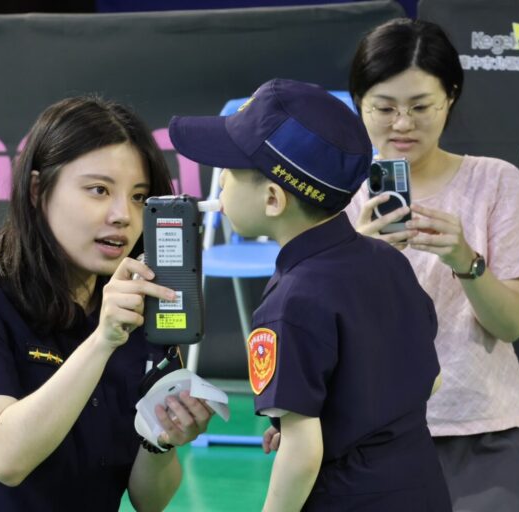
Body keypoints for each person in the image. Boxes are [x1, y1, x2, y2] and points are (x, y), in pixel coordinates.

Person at [0, 96, 215, 511]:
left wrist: (160, 440)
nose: (123, 215)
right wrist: (103, 341)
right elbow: (6, 458)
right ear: (37, 190)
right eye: (99, 190)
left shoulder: (139, 311)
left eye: (138, 196)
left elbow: (149, 500)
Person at [169, 78, 451, 511]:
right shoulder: (388, 260)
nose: (220, 181)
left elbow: (301, 454)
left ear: (272, 199)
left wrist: (302, 431)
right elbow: (429, 380)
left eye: (229, 171)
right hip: (423, 487)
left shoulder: (289, 303)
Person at [345, 18, 519, 511]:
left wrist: (466, 261)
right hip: (368, 432)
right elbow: (319, 330)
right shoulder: (335, 197)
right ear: (358, 103)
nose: (402, 124)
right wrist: (359, 261)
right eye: (384, 108)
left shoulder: (495, 182)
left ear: (450, 98)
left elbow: (510, 324)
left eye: (421, 107)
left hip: (487, 428)